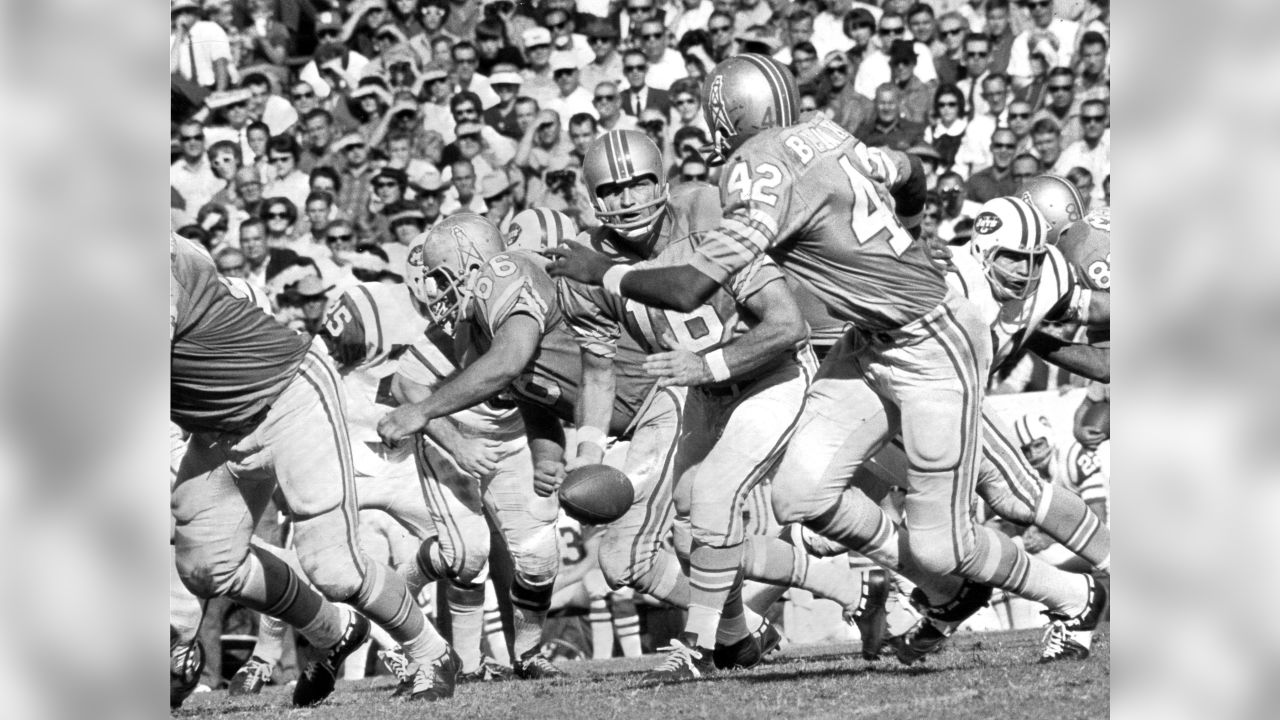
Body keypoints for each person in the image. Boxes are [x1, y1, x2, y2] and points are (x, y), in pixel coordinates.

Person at [545, 53, 1106, 667]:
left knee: (957, 537)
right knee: (797, 497)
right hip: (864, 340)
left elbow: (688, 289)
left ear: (730, 116)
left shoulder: (751, 170)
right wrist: (912, 234)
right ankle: (893, 590)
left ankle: (1073, 594)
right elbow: (910, 170)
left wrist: (605, 271)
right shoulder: (827, 132)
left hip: (927, 344)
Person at [170, 234, 461, 706]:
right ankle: (336, 629)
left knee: (335, 565)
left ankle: (432, 653)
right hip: (218, 431)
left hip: (288, 395)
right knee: (203, 568)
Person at [966, 127, 1018, 202]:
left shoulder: (1020, 181)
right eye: (998, 145)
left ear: (1016, 149)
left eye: (1010, 146)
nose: (1003, 150)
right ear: (991, 148)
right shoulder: (975, 181)